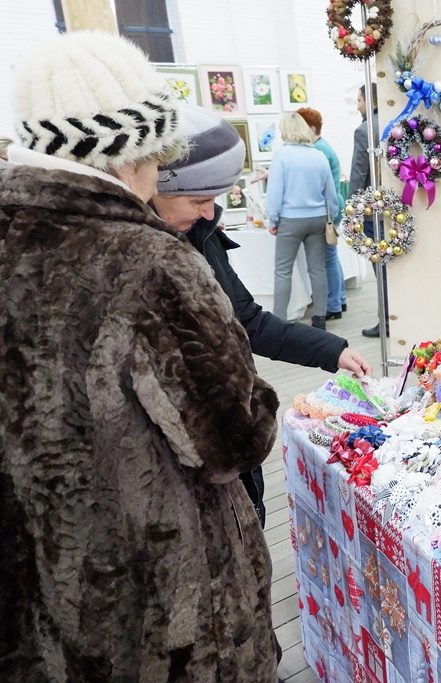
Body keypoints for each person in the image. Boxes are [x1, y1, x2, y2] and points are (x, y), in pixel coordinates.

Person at [0, 32, 279, 682]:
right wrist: (257, 393)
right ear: (131, 153)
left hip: (33, 610)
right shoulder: (145, 263)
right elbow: (233, 438)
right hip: (160, 618)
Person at [154, 105, 372, 525]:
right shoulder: (143, 261)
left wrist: (334, 350)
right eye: (199, 199)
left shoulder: (201, 236)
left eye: (213, 199)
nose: (209, 212)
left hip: (235, 453)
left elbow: (249, 322)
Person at [265, 113, 339, 330]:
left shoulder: (282, 156)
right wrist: (331, 217)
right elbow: (331, 194)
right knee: (318, 269)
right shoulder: (319, 156)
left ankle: (279, 320)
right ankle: (319, 318)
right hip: (317, 219)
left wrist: (272, 218)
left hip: (290, 219)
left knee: (283, 270)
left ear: (286, 130)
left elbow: (275, 191)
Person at [297, 106, 347, 320]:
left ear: (311, 128)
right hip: (330, 208)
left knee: (327, 259)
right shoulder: (320, 148)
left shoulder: (320, 151)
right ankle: (338, 300)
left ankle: (333, 304)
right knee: (330, 257)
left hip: (327, 210)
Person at [350, 83, 388, 338]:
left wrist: (352, 205)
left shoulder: (364, 130)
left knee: (380, 267)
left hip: (372, 208)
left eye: (359, 99)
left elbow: (358, 173)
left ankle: (385, 321)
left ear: (369, 100)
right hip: (393, 206)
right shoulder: (389, 124)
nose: (357, 105)